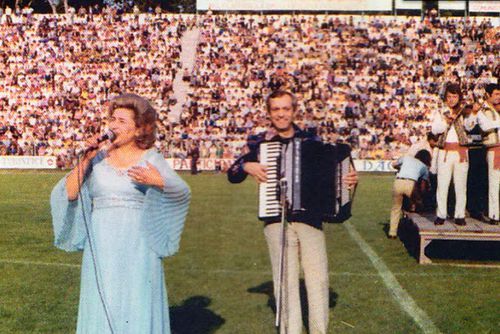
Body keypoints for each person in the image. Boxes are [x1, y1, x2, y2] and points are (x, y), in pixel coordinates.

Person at [50, 93, 191, 334]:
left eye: (122, 121)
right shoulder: (97, 159)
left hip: (139, 246)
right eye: (112, 119)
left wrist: (160, 182)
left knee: (136, 300)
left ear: (139, 130)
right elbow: (70, 193)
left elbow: (181, 195)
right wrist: (86, 159)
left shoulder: (151, 159)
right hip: (102, 244)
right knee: (103, 298)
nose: (114, 125)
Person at [227, 90, 358, 334]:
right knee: (285, 283)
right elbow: (232, 173)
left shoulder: (313, 142)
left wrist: (349, 179)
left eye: (286, 109)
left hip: (310, 220)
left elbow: (339, 171)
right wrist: (248, 165)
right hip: (276, 220)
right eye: (276, 109)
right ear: (269, 113)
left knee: (317, 280)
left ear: (294, 111)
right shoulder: (260, 144)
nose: (281, 114)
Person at [432, 83, 470, 226]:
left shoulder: (464, 112)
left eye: (455, 97)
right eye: (449, 97)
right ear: (445, 98)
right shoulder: (440, 112)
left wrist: (472, 113)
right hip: (445, 151)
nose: (452, 100)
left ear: (459, 97)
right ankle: (441, 214)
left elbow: (470, 126)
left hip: (461, 151)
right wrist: (445, 122)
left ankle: (459, 215)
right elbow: (435, 129)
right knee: (442, 184)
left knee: (460, 185)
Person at [467, 83, 500, 224]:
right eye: (496, 94)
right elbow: (485, 126)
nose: (499, 97)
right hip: (493, 149)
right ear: (488, 94)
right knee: (494, 183)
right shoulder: (482, 110)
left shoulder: (496, 110)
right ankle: (494, 215)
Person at [389, 149, 432, 238]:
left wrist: (400, 168)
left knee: (396, 208)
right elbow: (423, 187)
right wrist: (419, 198)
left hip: (398, 182)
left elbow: (394, 164)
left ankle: (392, 233)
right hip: (411, 184)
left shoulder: (406, 158)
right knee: (417, 204)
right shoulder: (424, 167)